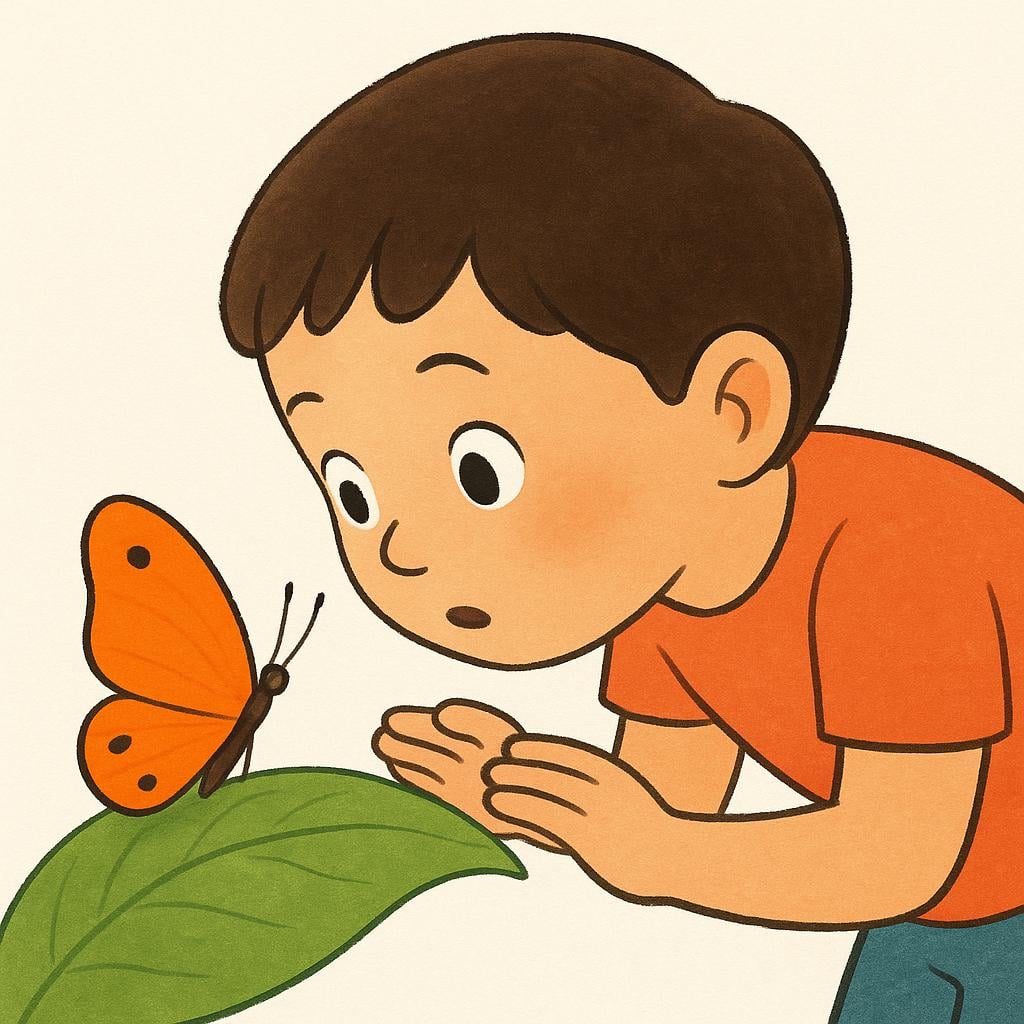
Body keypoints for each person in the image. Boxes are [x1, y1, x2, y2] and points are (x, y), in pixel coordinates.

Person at [219, 34, 1024, 1021]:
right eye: (348, 484)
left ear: (733, 409)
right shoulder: (664, 579)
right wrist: (521, 792)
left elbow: (895, 849)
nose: (395, 546)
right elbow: (668, 796)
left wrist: (659, 854)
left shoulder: (896, 555)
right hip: (945, 917)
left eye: (479, 468)